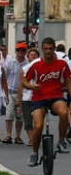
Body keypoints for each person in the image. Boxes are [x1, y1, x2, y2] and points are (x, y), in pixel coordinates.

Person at [22, 37, 71, 166]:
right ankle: (34, 153)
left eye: (50, 49)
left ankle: (61, 141)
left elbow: (68, 82)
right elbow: (24, 81)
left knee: (64, 112)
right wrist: (32, 86)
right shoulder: (36, 65)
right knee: (38, 125)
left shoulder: (62, 64)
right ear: (42, 49)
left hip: (56, 96)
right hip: (39, 98)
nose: (48, 51)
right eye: (45, 49)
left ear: (54, 48)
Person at [1, 42, 27, 144]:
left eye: (23, 50)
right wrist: (5, 91)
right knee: (9, 114)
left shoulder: (27, 64)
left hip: (22, 93)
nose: (20, 52)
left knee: (19, 116)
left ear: (25, 52)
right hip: (10, 92)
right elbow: (4, 77)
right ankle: (8, 135)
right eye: (18, 50)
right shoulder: (10, 63)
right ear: (16, 51)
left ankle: (18, 136)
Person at [18, 47, 41, 147]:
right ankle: (31, 139)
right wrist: (19, 98)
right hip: (27, 98)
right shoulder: (25, 69)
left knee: (37, 120)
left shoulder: (41, 67)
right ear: (28, 57)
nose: (33, 56)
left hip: (38, 97)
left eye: (35, 55)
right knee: (28, 120)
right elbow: (21, 84)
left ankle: (35, 138)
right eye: (31, 55)